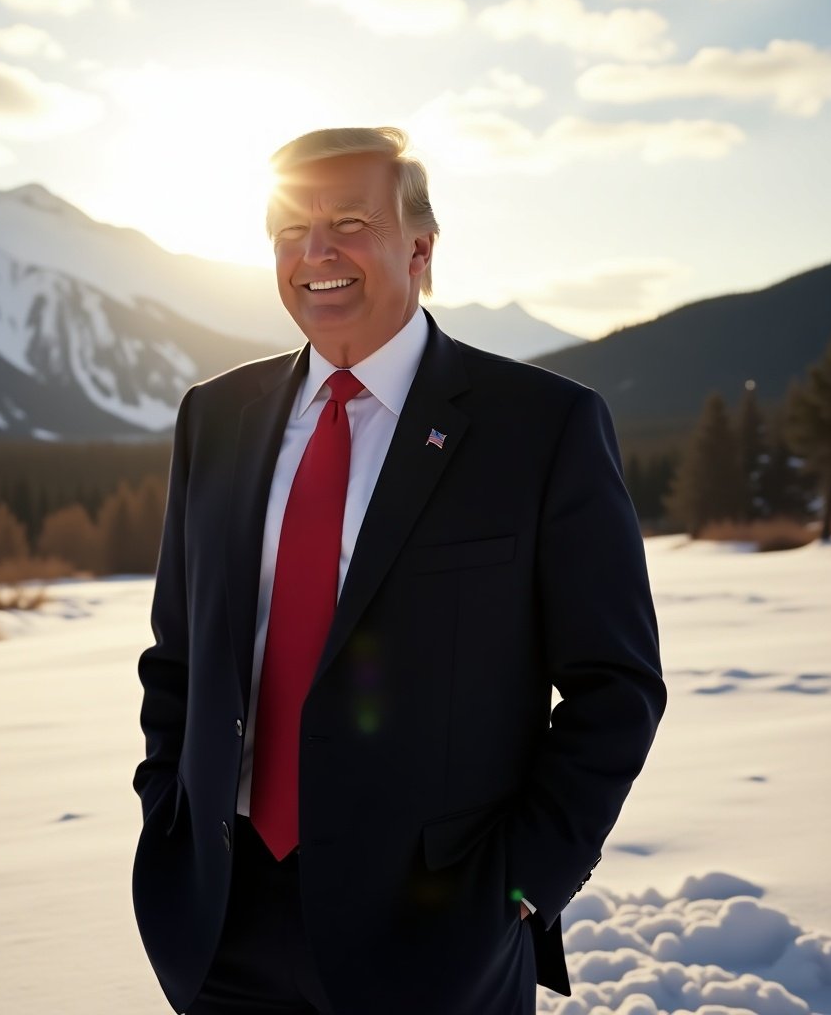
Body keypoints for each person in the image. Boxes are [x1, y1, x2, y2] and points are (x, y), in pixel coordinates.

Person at [132, 127, 666, 1015]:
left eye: (349, 220)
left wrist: (518, 890)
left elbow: (616, 690)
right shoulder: (214, 417)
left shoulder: (540, 428)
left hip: (436, 937)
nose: (315, 253)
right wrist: (169, 823)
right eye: (288, 230)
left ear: (419, 247)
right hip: (221, 926)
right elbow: (178, 658)